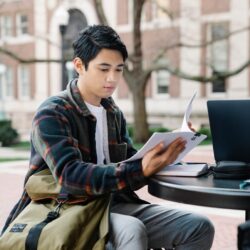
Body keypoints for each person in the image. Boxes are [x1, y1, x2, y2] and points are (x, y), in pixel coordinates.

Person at [2, 24, 214, 250]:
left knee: (198, 227)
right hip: (68, 208)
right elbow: (70, 177)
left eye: (119, 69)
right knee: (132, 230)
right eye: (103, 69)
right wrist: (140, 168)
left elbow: (132, 167)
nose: (112, 78)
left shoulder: (113, 113)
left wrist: (169, 149)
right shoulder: (53, 112)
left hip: (113, 204)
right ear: (79, 65)